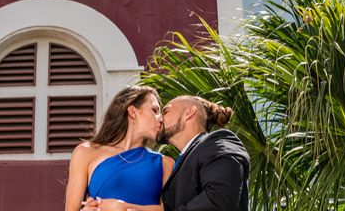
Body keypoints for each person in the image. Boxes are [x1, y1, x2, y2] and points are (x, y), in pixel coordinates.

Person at [85, 95, 250, 211]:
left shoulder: (219, 141)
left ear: (189, 113)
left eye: (165, 111)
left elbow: (219, 201)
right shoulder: (176, 167)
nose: (160, 119)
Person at [66, 85, 173, 211]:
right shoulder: (85, 152)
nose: (161, 119)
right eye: (154, 110)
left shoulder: (165, 163)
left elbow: (172, 209)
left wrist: (123, 207)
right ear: (133, 112)